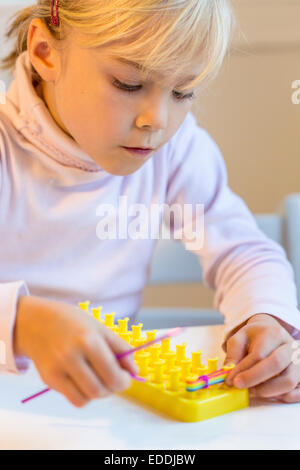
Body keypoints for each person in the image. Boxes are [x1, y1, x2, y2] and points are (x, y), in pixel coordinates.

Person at [0, 0, 300, 408]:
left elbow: (241, 250)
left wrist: (264, 316)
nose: (156, 120)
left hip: (111, 411)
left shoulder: (174, 150)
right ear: (45, 53)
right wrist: (22, 324)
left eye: (183, 91)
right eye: (128, 84)